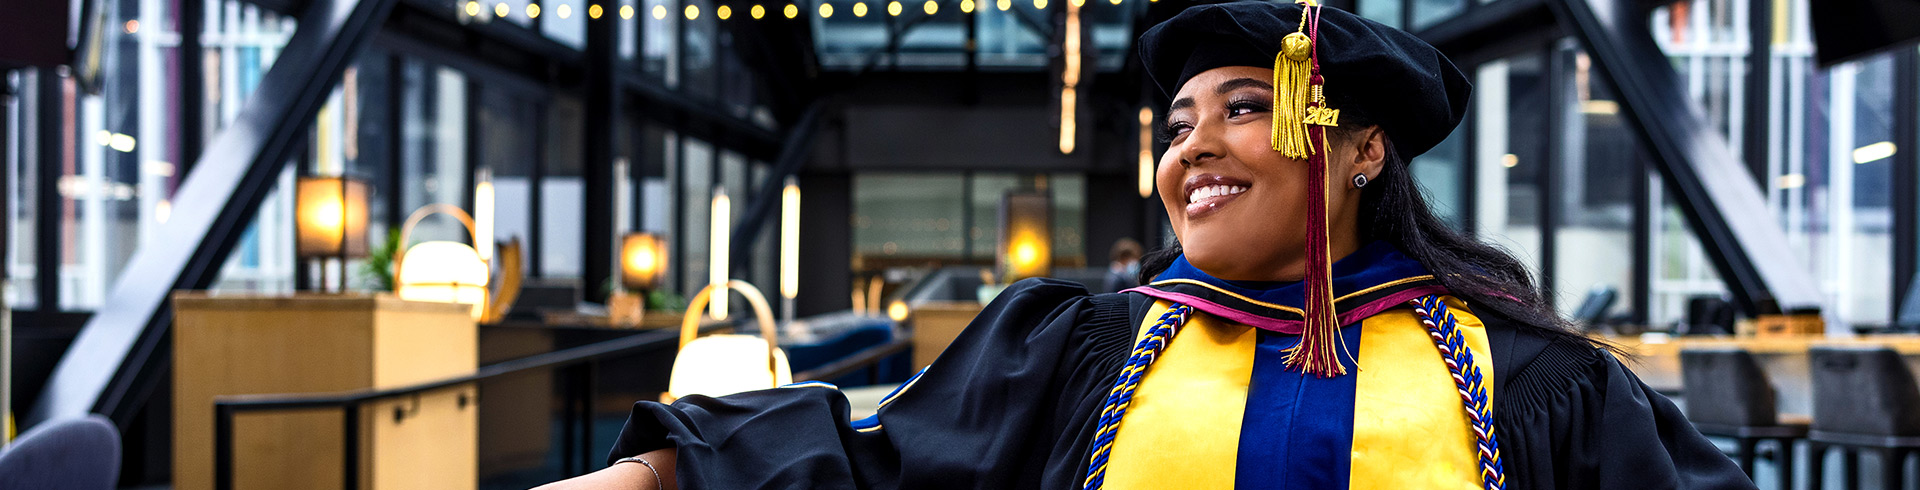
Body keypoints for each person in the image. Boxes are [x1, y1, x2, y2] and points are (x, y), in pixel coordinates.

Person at [539, 1, 1752, 489]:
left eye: (1243, 108)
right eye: (1178, 124)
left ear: (1363, 149)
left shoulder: (1531, 384)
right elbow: (879, 465)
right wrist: (655, 473)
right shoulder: (1084, 349)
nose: (1193, 150)